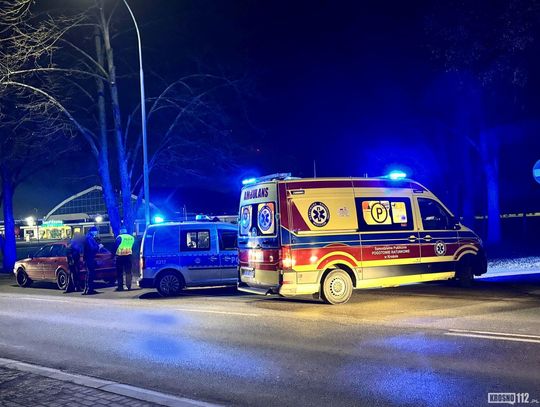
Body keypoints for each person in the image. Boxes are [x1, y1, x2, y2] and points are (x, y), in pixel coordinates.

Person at [113, 227, 135, 291]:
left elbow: (115, 247)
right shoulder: (131, 237)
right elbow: (133, 247)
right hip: (128, 256)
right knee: (128, 272)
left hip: (120, 256)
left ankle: (120, 287)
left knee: (119, 272)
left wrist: (112, 255)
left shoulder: (119, 237)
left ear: (121, 231)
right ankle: (129, 286)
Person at [82, 226, 102, 295]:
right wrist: (99, 247)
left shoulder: (88, 237)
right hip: (89, 258)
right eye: (96, 231)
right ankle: (89, 289)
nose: (96, 233)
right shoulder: (89, 238)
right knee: (90, 273)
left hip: (88, 257)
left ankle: (87, 289)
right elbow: (92, 248)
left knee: (89, 273)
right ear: (93, 231)